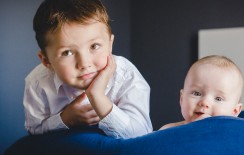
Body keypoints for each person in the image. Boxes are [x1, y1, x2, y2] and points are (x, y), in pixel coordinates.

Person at [23, 0, 152, 138]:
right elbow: (34, 130)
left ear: (110, 44)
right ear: (46, 60)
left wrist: (97, 97)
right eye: (67, 53)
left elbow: (141, 135)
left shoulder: (126, 75)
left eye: (94, 46)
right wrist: (66, 119)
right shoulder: (37, 83)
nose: (84, 64)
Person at [160, 55, 244, 130]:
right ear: (182, 99)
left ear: (234, 111)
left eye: (218, 99)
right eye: (196, 93)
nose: (205, 102)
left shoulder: (237, 128)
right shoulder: (169, 130)